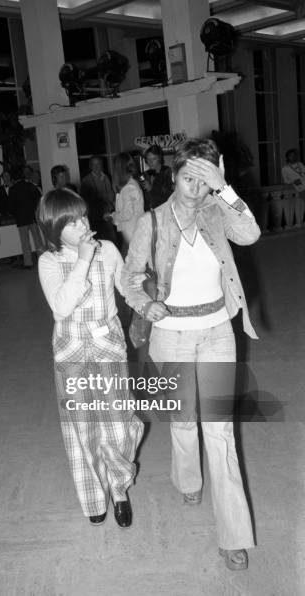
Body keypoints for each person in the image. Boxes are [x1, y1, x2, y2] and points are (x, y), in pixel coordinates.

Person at [122, 138, 260, 571]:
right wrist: (147, 304)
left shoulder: (219, 210)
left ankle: (233, 536)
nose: (194, 189)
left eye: (203, 181)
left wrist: (225, 188)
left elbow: (251, 233)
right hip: (171, 335)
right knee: (183, 421)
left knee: (220, 434)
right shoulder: (152, 221)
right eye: (187, 178)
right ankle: (187, 479)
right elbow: (128, 279)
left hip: (218, 330)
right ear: (173, 175)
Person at [37, 188, 144, 527]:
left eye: (82, 216)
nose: (82, 225)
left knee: (119, 424)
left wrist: (141, 292)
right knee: (81, 427)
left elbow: (126, 287)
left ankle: (119, 486)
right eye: (70, 223)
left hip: (108, 345)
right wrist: (82, 259)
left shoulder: (108, 249)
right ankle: (94, 496)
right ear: (54, 230)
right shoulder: (49, 261)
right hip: (71, 349)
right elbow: (61, 307)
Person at [107, 152, 144, 254]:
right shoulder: (130, 185)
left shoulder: (129, 188)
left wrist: (112, 216)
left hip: (132, 233)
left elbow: (127, 214)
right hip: (132, 233)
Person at [8, 165, 43, 268]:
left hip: (21, 219)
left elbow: (11, 206)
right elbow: (38, 200)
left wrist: (16, 214)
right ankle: (42, 260)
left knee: (25, 242)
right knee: (38, 241)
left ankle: (28, 263)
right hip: (32, 218)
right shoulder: (30, 186)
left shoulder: (13, 188)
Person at [80, 156, 117, 242]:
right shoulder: (86, 180)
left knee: (111, 240)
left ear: (102, 165)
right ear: (90, 166)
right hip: (95, 217)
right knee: (98, 241)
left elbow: (111, 196)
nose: (97, 166)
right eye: (94, 164)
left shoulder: (106, 177)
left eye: (99, 164)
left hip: (108, 214)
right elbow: (86, 200)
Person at [140, 145, 173, 209]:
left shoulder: (167, 172)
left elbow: (170, 196)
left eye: (154, 159)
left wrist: (151, 189)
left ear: (159, 158)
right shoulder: (146, 174)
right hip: (150, 212)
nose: (150, 162)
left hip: (164, 211)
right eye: (148, 159)